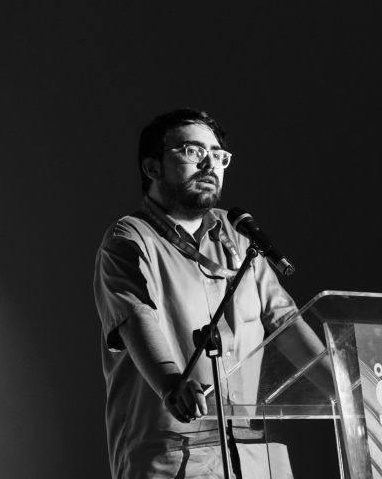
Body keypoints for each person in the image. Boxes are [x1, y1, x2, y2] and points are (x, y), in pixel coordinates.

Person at [93, 109, 327, 478]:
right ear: (152, 167)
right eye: (191, 151)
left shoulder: (237, 235)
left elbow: (284, 321)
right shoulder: (128, 239)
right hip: (174, 454)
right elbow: (136, 317)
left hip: (254, 454)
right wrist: (172, 381)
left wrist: (347, 387)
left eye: (219, 156)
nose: (209, 164)